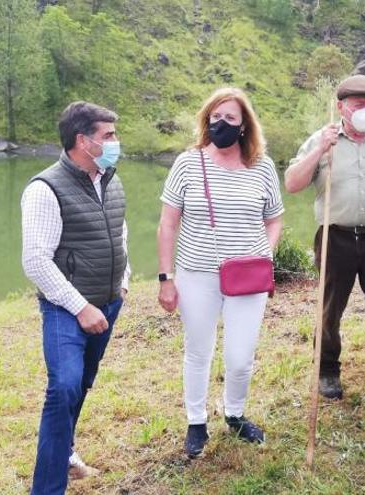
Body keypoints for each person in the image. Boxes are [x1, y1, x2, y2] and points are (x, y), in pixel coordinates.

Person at [157, 87, 284, 458]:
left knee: (241, 356)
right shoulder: (188, 162)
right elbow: (167, 224)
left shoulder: (262, 166)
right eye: (215, 117)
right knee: (198, 351)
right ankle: (196, 422)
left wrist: (265, 253)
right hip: (197, 273)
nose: (221, 124)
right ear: (206, 120)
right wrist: (166, 278)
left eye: (230, 118)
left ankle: (235, 413)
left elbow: (274, 218)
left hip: (248, 277)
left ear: (244, 125)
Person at [285, 75, 365, 406]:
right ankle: (327, 370)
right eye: (360, 105)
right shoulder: (321, 140)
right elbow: (292, 183)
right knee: (330, 310)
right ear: (341, 107)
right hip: (335, 238)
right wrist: (319, 151)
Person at [21, 101, 130, 494]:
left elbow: (120, 232)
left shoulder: (110, 179)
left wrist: (125, 280)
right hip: (66, 308)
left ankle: (64, 451)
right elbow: (35, 261)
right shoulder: (45, 188)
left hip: (108, 302)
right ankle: (47, 488)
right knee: (64, 385)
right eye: (109, 136)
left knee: (81, 382)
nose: (116, 142)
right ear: (83, 141)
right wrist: (80, 307)